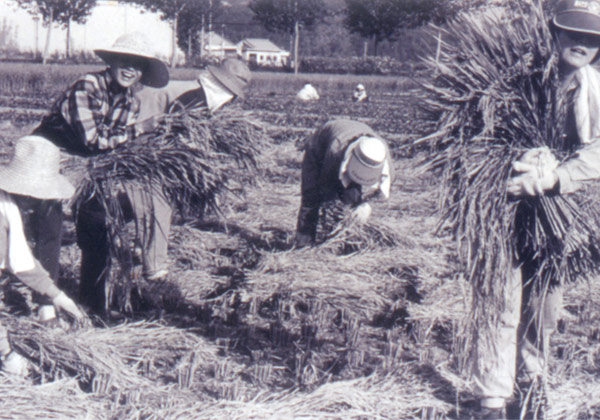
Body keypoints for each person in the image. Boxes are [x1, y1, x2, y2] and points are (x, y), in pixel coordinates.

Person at [474, 1, 600, 418]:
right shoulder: (519, 81)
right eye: (573, 33)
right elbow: (477, 139)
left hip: (558, 211)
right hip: (506, 207)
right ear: (554, 34)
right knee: (501, 300)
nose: (581, 43)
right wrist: (513, 161)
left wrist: (554, 178)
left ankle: (531, 386)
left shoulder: (594, 91)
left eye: (592, 38)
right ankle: (493, 398)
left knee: (544, 308)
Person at [32, 32, 172, 314]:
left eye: (138, 64)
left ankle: (92, 307)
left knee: (98, 228)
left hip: (84, 168)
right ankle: (44, 306)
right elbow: (92, 140)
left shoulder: (130, 101)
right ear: (111, 61)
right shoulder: (89, 85)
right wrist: (141, 129)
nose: (131, 69)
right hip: (46, 159)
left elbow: (116, 147)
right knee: (50, 232)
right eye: (125, 61)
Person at [0, 136, 85, 375]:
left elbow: (23, 262)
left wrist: (59, 298)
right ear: (26, 193)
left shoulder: (7, 205)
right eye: (39, 198)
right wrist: (6, 352)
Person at [295, 119, 393, 247]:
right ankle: (304, 243)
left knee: (352, 199)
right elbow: (327, 190)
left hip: (352, 141)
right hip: (319, 147)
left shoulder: (384, 159)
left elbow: (381, 192)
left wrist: (365, 205)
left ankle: (346, 241)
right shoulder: (335, 150)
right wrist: (332, 220)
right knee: (312, 196)